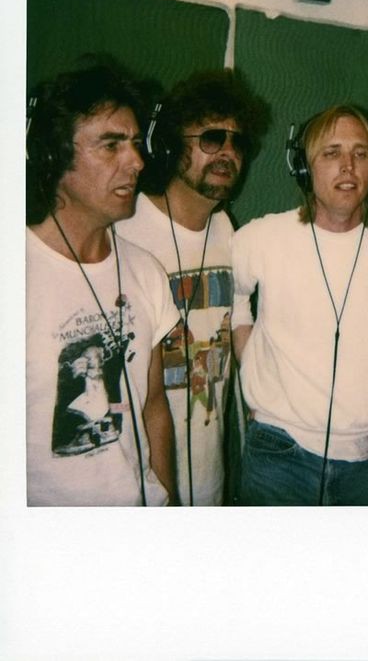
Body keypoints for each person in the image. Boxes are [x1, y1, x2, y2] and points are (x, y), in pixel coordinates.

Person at [231, 105, 368, 505]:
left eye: (360, 153)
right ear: (303, 167)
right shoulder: (259, 238)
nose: (348, 166)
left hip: (361, 458)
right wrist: (254, 368)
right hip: (277, 452)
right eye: (331, 153)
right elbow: (236, 303)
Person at [26, 61, 181, 506]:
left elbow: (154, 403)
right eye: (111, 145)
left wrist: (167, 501)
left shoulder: (146, 272)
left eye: (135, 144)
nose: (137, 161)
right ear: (53, 155)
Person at [116, 69, 260, 506]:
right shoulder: (126, 226)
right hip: (142, 483)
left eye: (237, 142)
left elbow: (240, 325)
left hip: (210, 478)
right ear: (170, 144)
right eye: (212, 138)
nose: (228, 152)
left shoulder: (226, 228)